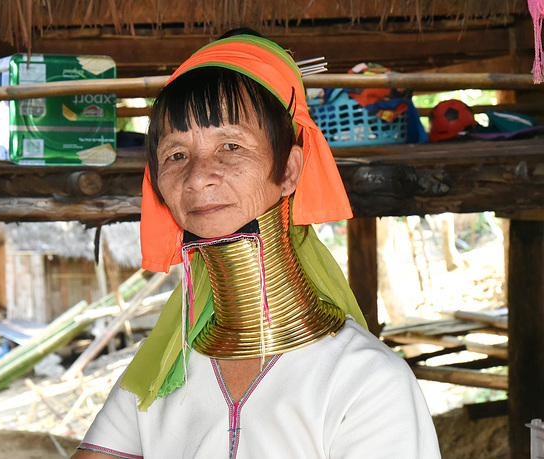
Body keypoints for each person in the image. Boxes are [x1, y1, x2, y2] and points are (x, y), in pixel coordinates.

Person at [72, 31, 440, 459]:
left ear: (289, 168)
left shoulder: (363, 380)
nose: (197, 177)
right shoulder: (163, 369)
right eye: (175, 155)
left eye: (230, 146)